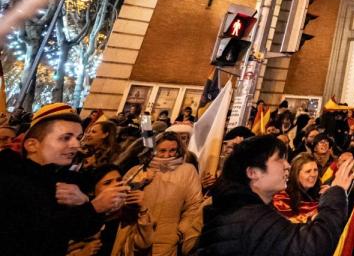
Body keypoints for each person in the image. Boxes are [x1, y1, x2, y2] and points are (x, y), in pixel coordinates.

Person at [0, 102, 128, 256]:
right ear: (32, 145)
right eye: (65, 138)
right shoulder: (9, 179)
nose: (75, 145)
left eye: (78, 138)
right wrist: (94, 207)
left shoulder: (59, 177)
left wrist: (85, 203)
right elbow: (36, 236)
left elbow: (76, 229)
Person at [198, 135, 354, 256]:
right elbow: (312, 247)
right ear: (253, 172)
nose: (287, 165)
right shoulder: (252, 219)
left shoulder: (244, 211)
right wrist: (336, 192)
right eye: (279, 160)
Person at [125, 132, 204, 256]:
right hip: (137, 237)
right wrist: (141, 182)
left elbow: (194, 205)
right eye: (162, 150)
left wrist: (180, 231)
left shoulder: (187, 170)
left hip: (168, 241)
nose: (167, 155)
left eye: (172, 150)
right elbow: (121, 201)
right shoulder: (138, 170)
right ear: (153, 150)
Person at [67, 164, 154, 256]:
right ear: (92, 191)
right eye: (107, 183)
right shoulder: (80, 217)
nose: (116, 185)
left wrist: (143, 210)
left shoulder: (128, 216)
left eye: (119, 180)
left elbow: (142, 245)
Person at [272, 152, 324, 222]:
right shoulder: (282, 198)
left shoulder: (320, 191)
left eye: (315, 170)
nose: (313, 175)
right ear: (296, 174)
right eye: (308, 171)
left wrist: (328, 196)